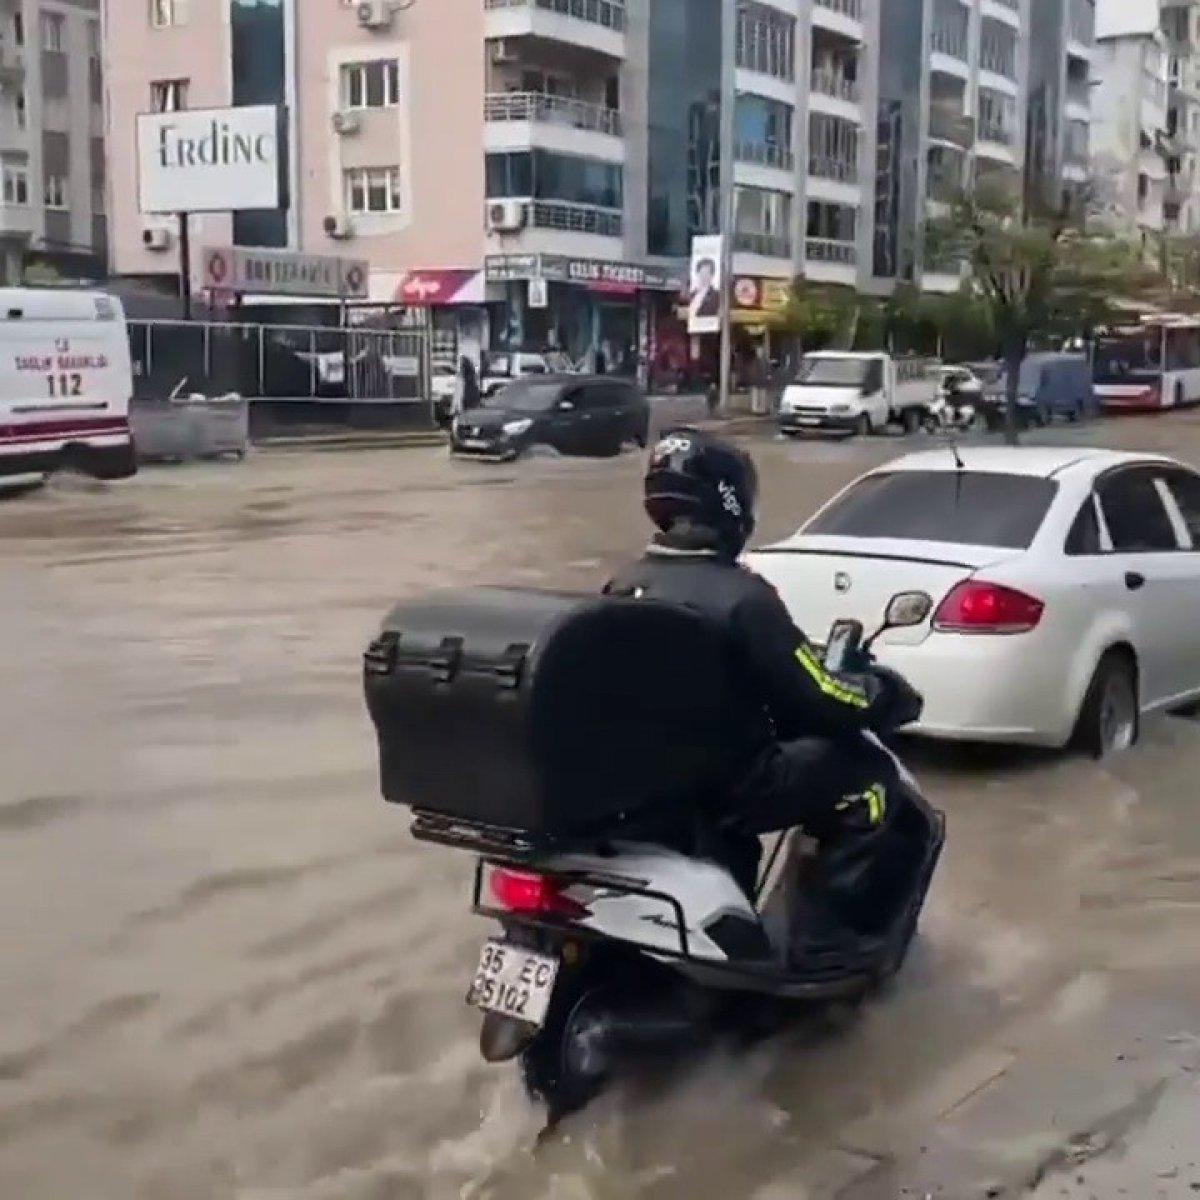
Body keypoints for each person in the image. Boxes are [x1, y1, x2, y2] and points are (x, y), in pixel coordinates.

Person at [605, 430, 915, 957]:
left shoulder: (625, 583)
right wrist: (884, 694)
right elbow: (821, 694)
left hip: (652, 783)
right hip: (732, 785)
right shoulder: (743, 598)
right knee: (871, 782)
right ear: (731, 502)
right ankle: (825, 946)